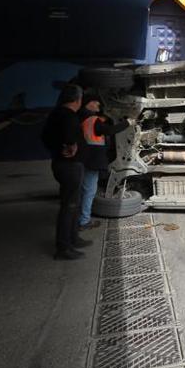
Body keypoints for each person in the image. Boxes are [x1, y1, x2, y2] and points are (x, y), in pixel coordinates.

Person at [41, 84, 92, 260]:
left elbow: (45, 138)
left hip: (61, 164)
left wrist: (58, 147)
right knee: (69, 206)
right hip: (70, 166)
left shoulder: (56, 114)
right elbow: (70, 137)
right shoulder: (69, 117)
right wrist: (70, 145)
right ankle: (63, 248)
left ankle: (73, 238)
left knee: (72, 204)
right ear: (77, 99)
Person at [78, 93, 131, 231]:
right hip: (92, 160)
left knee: (83, 189)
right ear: (88, 104)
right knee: (89, 190)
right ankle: (84, 221)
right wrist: (128, 122)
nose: (98, 105)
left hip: (83, 158)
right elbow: (109, 130)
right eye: (96, 102)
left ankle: (80, 217)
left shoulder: (82, 117)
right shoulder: (93, 119)